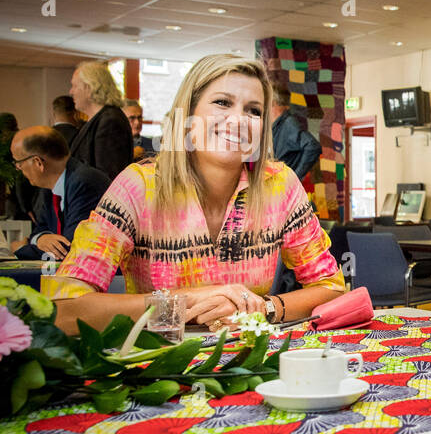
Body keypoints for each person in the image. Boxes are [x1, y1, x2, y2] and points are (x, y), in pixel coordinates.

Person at [46, 54, 346, 335]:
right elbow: (64, 312)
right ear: (188, 114)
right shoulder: (139, 185)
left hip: (252, 361)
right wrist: (182, 302)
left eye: (253, 110)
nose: (238, 120)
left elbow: (331, 287)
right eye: (222, 102)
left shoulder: (279, 184)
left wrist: (265, 308)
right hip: (161, 364)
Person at [7, 126, 110, 262]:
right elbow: (39, 230)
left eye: (19, 163)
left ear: (38, 163)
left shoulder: (85, 183)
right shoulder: (52, 184)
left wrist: (20, 249)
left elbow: (68, 250)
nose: (19, 169)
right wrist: (41, 238)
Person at [67, 61, 133, 180]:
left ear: (90, 87)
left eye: (75, 86)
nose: (71, 92)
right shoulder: (100, 119)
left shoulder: (110, 121)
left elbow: (107, 176)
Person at [270, 85, 321, 180]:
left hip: (284, 186)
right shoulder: (277, 125)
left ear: (273, 103)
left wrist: (295, 176)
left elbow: (313, 146)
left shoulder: (289, 123)